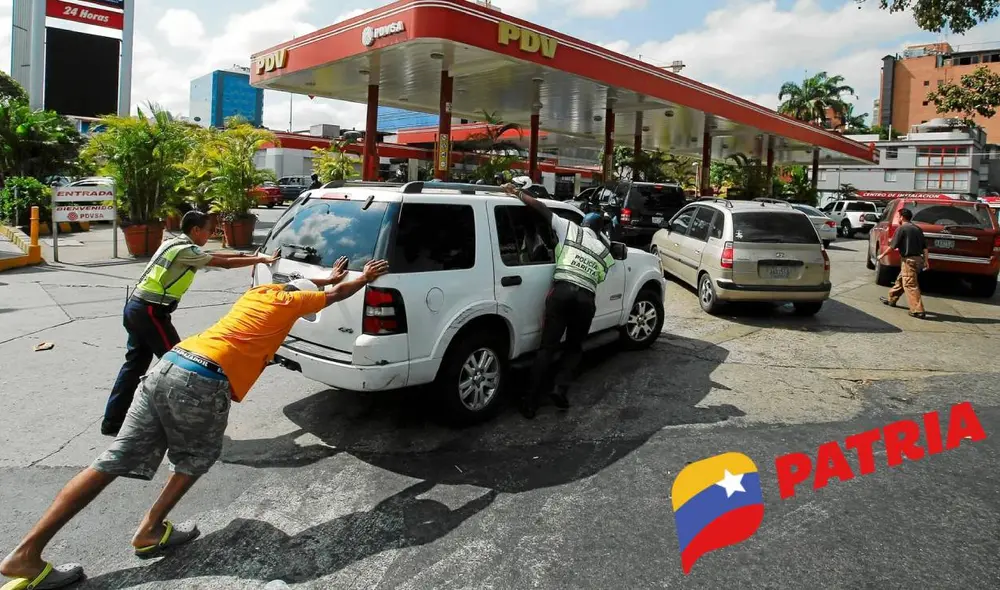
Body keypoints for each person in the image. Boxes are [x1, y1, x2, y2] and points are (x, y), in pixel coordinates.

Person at [0, 257, 391, 590]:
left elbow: (309, 286)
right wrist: (363, 278)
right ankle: (151, 529)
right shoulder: (292, 302)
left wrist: (326, 275)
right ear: (298, 296)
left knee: (112, 459)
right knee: (197, 457)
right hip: (202, 380)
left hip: (172, 362)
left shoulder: (257, 295)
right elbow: (335, 295)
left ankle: (27, 553)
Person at [101, 210, 279, 437]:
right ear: (195, 230)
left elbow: (214, 255)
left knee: (134, 366)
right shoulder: (185, 251)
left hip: (136, 307)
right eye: (208, 230)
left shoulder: (173, 243)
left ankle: (112, 422)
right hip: (150, 312)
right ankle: (180, 425)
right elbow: (222, 263)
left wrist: (248, 256)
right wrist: (260, 259)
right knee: (181, 367)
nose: (210, 234)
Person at [503, 181, 616, 419]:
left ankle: (530, 402)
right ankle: (559, 389)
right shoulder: (604, 251)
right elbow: (600, 276)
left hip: (561, 293)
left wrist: (518, 193)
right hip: (586, 300)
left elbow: (541, 208)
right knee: (574, 347)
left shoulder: (570, 228)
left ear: (583, 224)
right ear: (599, 230)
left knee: (547, 348)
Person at [878, 207, 928, 319]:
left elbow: (892, 246)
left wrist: (881, 255)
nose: (898, 218)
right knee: (901, 280)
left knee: (910, 284)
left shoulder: (902, 229)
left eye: (898, 216)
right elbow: (925, 248)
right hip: (918, 260)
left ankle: (917, 310)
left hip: (909, 260)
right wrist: (926, 261)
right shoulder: (917, 229)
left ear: (902, 217)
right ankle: (892, 299)